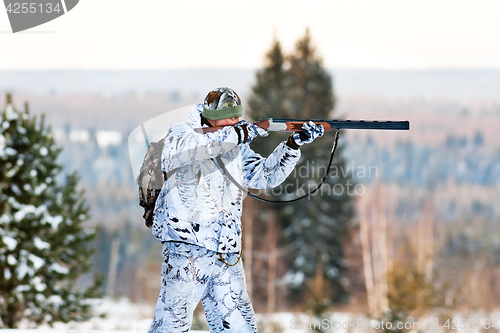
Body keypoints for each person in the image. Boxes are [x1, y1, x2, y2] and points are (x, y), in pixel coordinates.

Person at [148, 87, 324, 333]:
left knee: (240, 327)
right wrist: (237, 134)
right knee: (171, 326)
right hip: (188, 249)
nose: (237, 121)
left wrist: (293, 145)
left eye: (239, 117)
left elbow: (265, 175)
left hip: (226, 252)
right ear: (212, 115)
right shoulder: (182, 134)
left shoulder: (237, 145)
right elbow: (188, 150)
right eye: (231, 117)